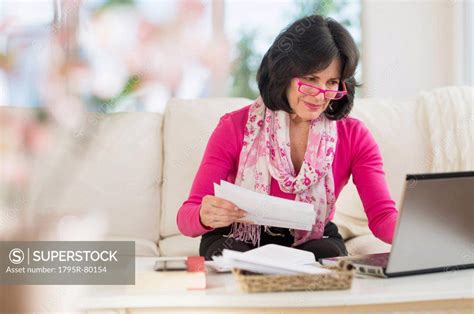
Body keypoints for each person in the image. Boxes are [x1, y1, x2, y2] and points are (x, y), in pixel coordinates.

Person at [176, 15, 399, 261]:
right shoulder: (234, 127)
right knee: (231, 256)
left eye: (331, 82)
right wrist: (203, 216)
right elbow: (187, 217)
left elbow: (382, 216)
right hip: (239, 236)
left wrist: (421, 233)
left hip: (311, 237)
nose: (319, 95)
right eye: (311, 79)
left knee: (328, 257)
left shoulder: (354, 136)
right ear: (284, 74)